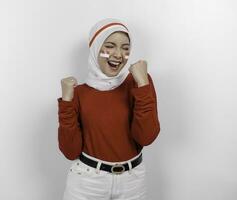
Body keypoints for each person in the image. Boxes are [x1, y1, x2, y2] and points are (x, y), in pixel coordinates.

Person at [57, 18, 160, 200]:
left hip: (132, 183)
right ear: (96, 47)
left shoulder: (139, 83)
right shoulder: (78, 93)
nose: (119, 55)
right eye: (110, 46)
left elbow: (146, 136)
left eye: (125, 48)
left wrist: (143, 84)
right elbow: (70, 151)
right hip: (87, 183)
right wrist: (66, 101)